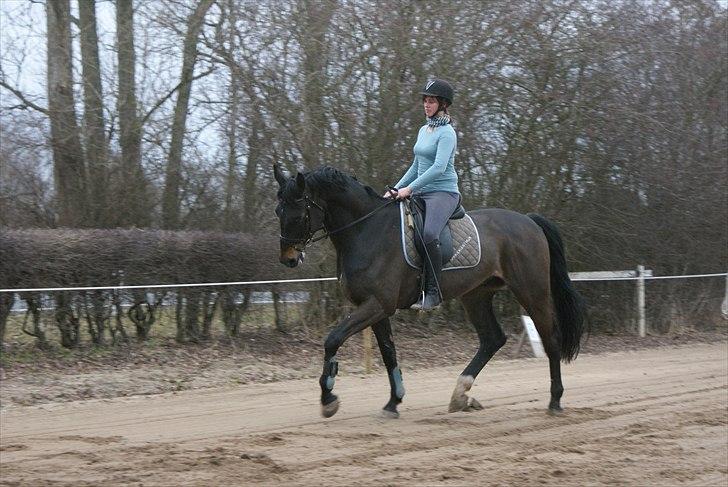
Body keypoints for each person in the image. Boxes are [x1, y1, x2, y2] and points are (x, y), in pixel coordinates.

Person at [384, 79, 460, 310]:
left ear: (443, 104)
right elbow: (416, 165)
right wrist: (396, 189)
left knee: (428, 234)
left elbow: (438, 168)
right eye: (425, 100)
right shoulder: (423, 130)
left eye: (432, 101)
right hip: (421, 191)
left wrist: (410, 189)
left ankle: (434, 292)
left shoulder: (447, 134)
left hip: (443, 192)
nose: (427, 105)